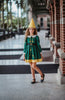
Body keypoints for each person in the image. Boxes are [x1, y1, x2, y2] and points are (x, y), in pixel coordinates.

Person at [23, 18, 45, 84]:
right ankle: (33, 79)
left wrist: (41, 54)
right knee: (31, 66)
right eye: (30, 29)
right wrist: (24, 55)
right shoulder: (27, 37)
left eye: (33, 29)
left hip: (35, 52)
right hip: (28, 52)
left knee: (33, 66)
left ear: (34, 30)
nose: (31, 30)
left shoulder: (36, 37)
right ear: (28, 30)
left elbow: (38, 45)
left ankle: (42, 74)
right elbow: (25, 46)